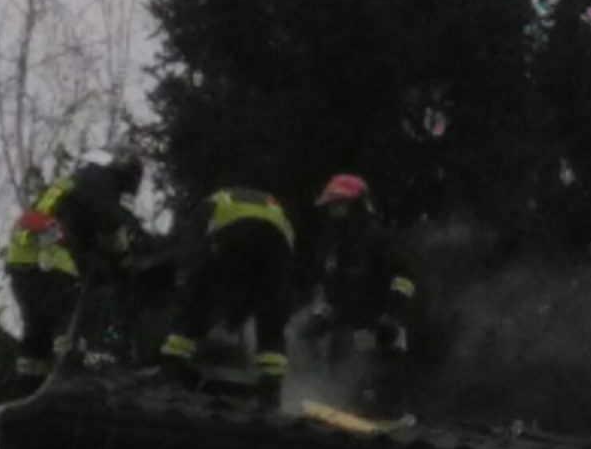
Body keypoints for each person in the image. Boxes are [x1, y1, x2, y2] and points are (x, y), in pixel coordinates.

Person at [4, 147, 145, 394]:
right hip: (49, 250)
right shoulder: (99, 180)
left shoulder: (70, 182)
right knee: (71, 315)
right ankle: (71, 379)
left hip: (21, 253)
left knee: (38, 328)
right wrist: (123, 262)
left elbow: (79, 229)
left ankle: (29, 387)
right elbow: (110, 222)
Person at [157, 187, 296, 410]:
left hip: (232, 236)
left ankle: (172, 368)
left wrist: (188, 284)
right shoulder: (274, 207)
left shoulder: (210, 204)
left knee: (197, 297)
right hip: (275, 245)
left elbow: (192, 253)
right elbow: (282, 261)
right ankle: (271, 389)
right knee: (271, 316)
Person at [307, 174, 417, 419]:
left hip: (378, 328)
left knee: (382, 373)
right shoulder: (334, 247)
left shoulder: (378, 240)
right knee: (341, 372)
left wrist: (392, 315)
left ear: (356, 205)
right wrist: (319, 319)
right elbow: (331, 291)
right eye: (331, 205)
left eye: (339, 204)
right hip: (346, 329)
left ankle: (389, 416)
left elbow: (404, 278)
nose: (333, 211)